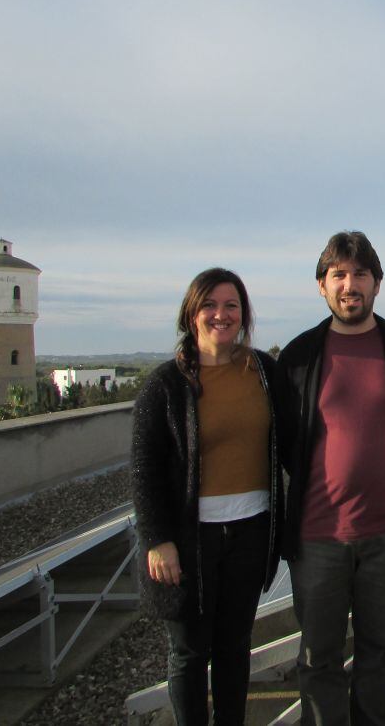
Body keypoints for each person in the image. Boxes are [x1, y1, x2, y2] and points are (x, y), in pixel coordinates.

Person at [280, 231, 385, 726]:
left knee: (380, 652)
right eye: (339, 275)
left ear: (378, 284)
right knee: (318, 658)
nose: (350, 285)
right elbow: (284, 444)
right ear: (321, 285)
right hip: (317, 538)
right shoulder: (299, 357)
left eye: (360, 274)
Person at [131, 267, 291, 726]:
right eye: (210, 305)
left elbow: (295, 437)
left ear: (244, 315)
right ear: (191, 313)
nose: (221, 315)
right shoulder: (165, 385)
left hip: (251, 531)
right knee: (189, 651)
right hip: (189, 538)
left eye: (231, 306)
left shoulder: (263, 371)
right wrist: (157, 539)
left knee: (233, 647)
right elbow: (145, 468)